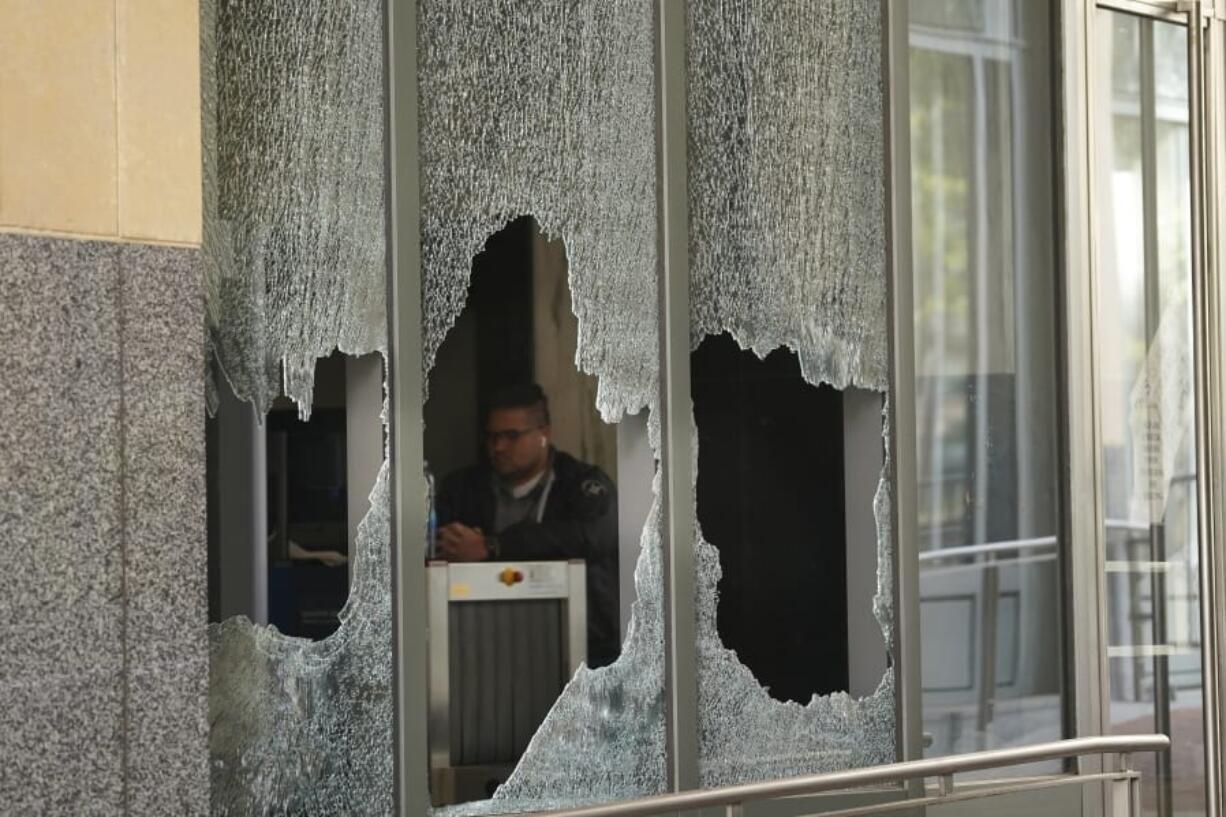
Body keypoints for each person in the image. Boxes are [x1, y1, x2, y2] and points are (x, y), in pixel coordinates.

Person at [434, 383, 620, 667]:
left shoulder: (582, 484)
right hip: (485, 645)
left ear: (544, 435)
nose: (498, 447)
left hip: (578, 649)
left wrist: (492, 546)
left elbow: (593, 537)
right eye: (492, 437)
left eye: (511, 436)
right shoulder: (463, 488)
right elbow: (438, 544)